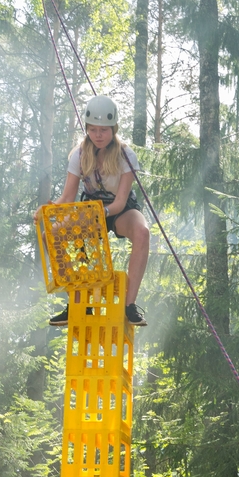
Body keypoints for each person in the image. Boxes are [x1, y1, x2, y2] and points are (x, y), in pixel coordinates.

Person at [49, 94, 150, 328]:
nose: (98, 135)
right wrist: (47, 210)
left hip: (119, 209)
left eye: (103, 130)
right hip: (91, 207)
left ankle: (129, 305)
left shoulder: (126, 155)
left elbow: (120, 201)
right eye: (93, 130)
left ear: (113, 129)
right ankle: (76, 302)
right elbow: (66, 197)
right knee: (52, 234)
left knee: (142, 232)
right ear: (87, 129)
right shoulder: (80, 154)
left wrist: (101, 213)